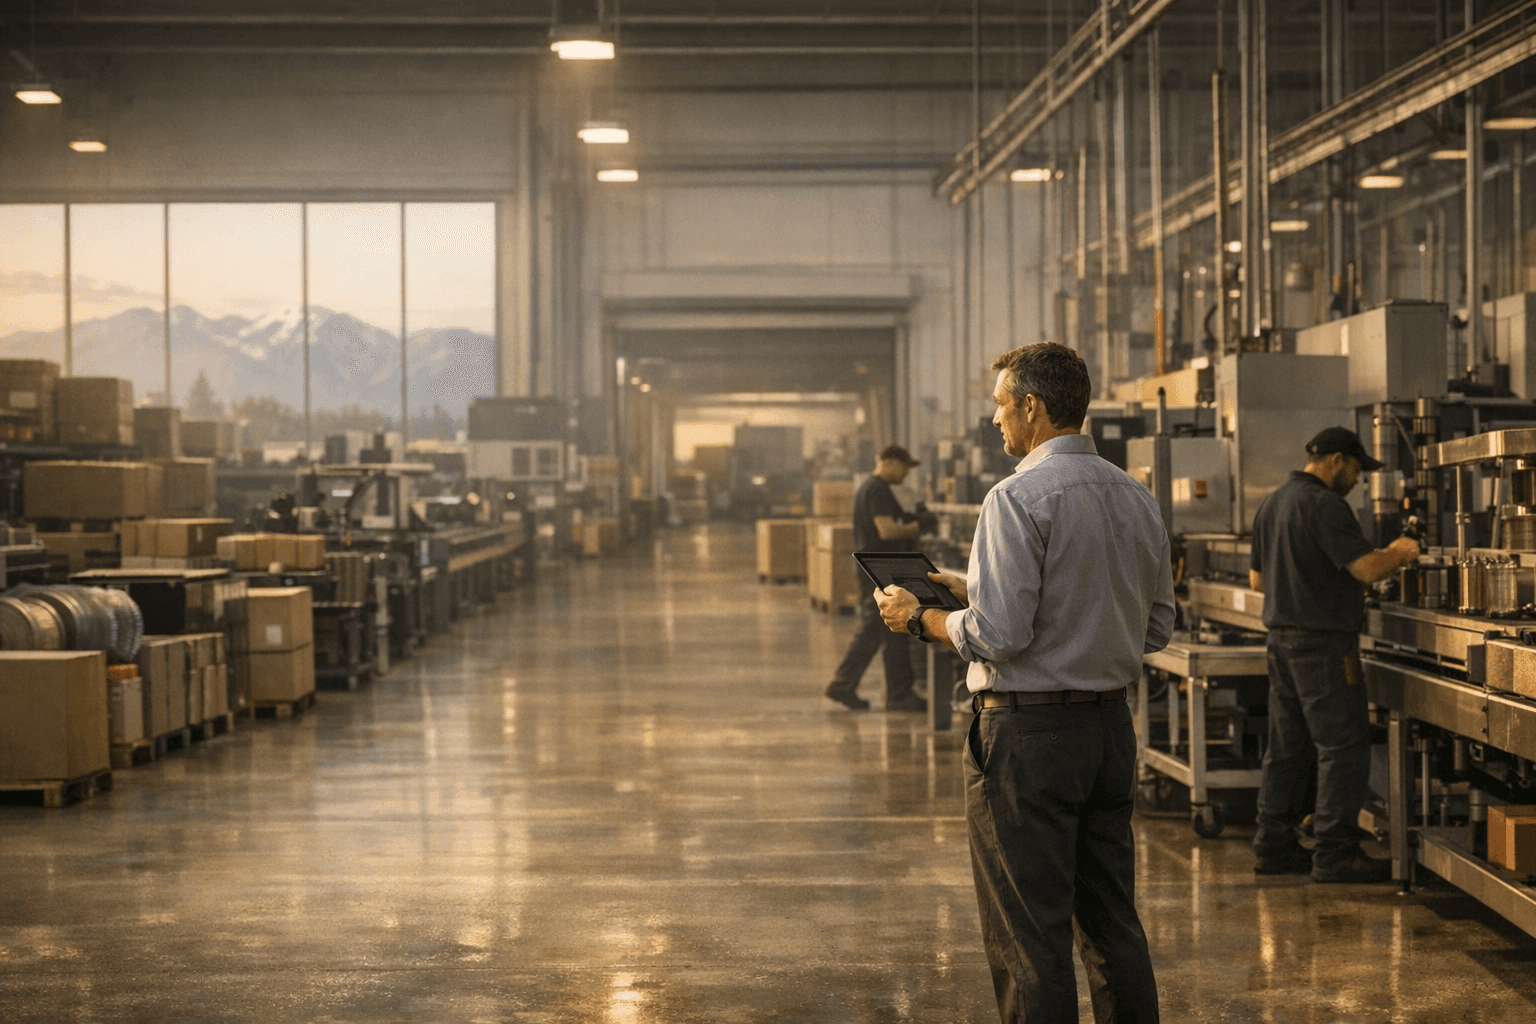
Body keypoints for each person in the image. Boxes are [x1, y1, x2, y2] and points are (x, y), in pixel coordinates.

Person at [875, 343, 1174, 1024]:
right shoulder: (1136, 496)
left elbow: (999, 635)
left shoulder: (1016, 497)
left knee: (1028, 934)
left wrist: (922, 618)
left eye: (1001, 407)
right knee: (1111, 924)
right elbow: (1155, 628)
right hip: (1107, 732)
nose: (996, 422)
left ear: (1032, 407)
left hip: (1029, 739)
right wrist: (974, 590)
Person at [1248, 426, 1421, 883]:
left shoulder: (1272, 503)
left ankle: (1274, 844)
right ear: (1337, 460)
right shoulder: (1326, 505)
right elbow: (1366, 567)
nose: (1358, 479)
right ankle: (1335, 853)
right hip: (1323, 646)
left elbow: (1257, 583)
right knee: (1343, 746)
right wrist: (1400, 552)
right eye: (1358, 469)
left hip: (1281, 642)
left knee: (1287, 748)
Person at [823, 445, 931, 713]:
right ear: (891, 463)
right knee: (873, 630)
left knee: (894, 632)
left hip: (881, 570)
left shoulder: (873, 489)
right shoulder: (877, 489)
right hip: (878, 572)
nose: (906, 474)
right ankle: (842, 684)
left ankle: (899, 694)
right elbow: (887, 530)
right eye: (904, 468)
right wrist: (919, 526)